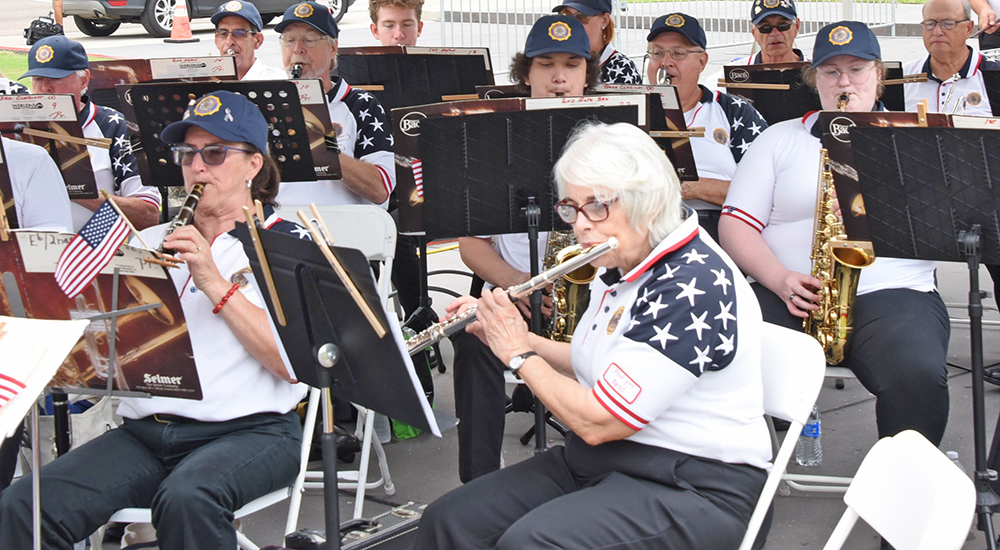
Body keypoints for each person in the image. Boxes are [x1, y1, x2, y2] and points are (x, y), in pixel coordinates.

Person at [417, 120, 770, 550]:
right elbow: (595, 361)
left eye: (597, 206)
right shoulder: (621, 261)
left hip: (695, 482)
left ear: (650, 202)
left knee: (532, 544)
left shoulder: (691, 283)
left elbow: (600, 421)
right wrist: (508, 334)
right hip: (605, 462)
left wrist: (517, 355)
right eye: (571, 207)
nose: (580, 225)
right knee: (450, 520)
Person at [0, 91, 308, 550]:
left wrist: (212, 281)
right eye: (187, 154)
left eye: (215, 153)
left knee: (188, 498)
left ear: (254, 165)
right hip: (147, 431)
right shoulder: (146, 241)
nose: (196, 167)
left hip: (252, 430)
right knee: (23, 506)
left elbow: (293, 365)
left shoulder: (288, 243)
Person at [720, 22, 950, 449]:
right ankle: (739, 475)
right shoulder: (778, 139)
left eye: (857, 69)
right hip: (788, 289)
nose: (844, 81)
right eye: (831, 71)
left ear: (878, 74)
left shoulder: (918, 140)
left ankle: (904, 485)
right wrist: (779, 279)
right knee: (727, 351)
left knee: (916, 373)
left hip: (893, 290)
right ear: (815, 79)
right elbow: (735, 224)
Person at [451, 14, 598, 483]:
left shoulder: (610, 144)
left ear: (586, 75)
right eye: (546, 65)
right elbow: (469, 245)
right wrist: (518, 286)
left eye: (572, 65)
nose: (559, 77)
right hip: (519, 292)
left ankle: (593, 475)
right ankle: (477, 484)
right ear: (525, 74)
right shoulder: (498, 142)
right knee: (472, 335)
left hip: (597, 299)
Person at [645, 13, 768, 242]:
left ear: (702, 62)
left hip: (717, 231)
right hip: (643, 231)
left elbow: (765, 192)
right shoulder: (630, 110)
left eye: (678, 53)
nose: (665, 62)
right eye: (657, 53)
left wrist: (693, 188)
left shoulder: (734, 111)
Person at [21, 36, 161, 232]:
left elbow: (148, 214)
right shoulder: (17, 130)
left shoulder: (117, 126)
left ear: (84, 79)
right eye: (37, 79)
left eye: (56, 78)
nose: (45, 88)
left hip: (95, 254)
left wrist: (80, 191)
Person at [274, 2, 395, 208]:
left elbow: (381, 189)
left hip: (344, 228)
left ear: (332, 48)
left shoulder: (360, 105)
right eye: (289, 40)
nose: (297, 49)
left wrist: (323, 146)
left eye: (309, 39)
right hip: (281, 225)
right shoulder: (270, 105)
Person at [552, 0, 641, 84]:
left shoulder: (622, 69)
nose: (572, 23)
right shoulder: (554, 61)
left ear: (604, 20)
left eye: (582, 16)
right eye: (567, 15)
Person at [212, 0, 288, 81]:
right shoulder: (208, 81)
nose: (229, 42)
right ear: (216, 40)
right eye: (223, 33)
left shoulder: (276, 79)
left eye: (239, 33)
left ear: (258, 41)